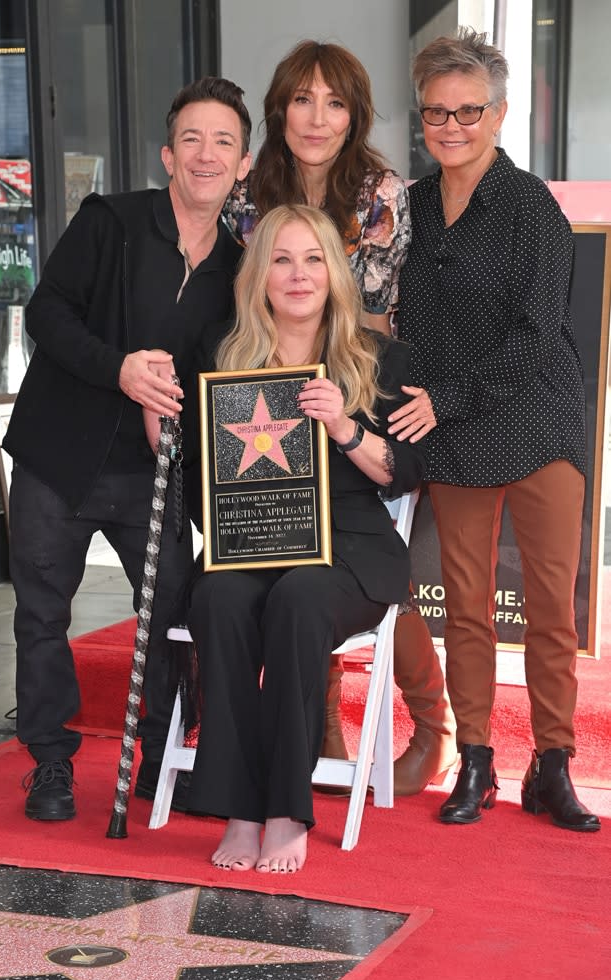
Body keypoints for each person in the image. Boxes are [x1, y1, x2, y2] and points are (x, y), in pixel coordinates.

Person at [2, 77, 252, 822]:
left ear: (243, 164)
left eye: (224, 142)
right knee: (42, 614)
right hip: (59, 455)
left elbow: (217, 372)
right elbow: (45, 313)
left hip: (154, 468)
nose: (206, 155)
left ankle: (158, 756)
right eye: (192, 139)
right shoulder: (108, 220)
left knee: (173, 608)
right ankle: (49, 761)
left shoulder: (240, 268)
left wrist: (170, 412)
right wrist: (122, 373)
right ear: (168, 155)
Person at [222, 38, 456, 796]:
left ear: (353, 114)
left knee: (359, 547)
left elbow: (374, 317)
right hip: (268, 402)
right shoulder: (246, 191)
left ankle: (434, 723)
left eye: (334, 102)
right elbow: (245, 299)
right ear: (279, 109)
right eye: (301, 99)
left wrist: (355, 409)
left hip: (352, 389)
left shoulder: (380, 192)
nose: (316, 117)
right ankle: (315, 722)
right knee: (274, 555)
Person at [171, 204, 426, 872]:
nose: (298, 274)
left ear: (334, 274)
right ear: (259, 275)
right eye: (281, 260)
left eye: (313, 259)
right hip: (255, 539)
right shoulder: (222, 355)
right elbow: (200, 475)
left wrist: (345, 428)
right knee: (218, 599)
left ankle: (286, 806)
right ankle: (239, 807)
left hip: (351, 550)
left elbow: (406, 476)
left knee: (301, 600)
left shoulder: (378, 358)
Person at [390, 29, 600, 832]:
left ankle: (552, 767)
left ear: (500, 112)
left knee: (551, 608)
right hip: (453, 431)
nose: (451, 126)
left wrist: (446, 398)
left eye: (468, 111)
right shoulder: (406, 209)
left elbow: (538, 332)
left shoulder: (532, 207)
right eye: (436, 112)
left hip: (538, 422)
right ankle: (473, 760)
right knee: (467, 609)